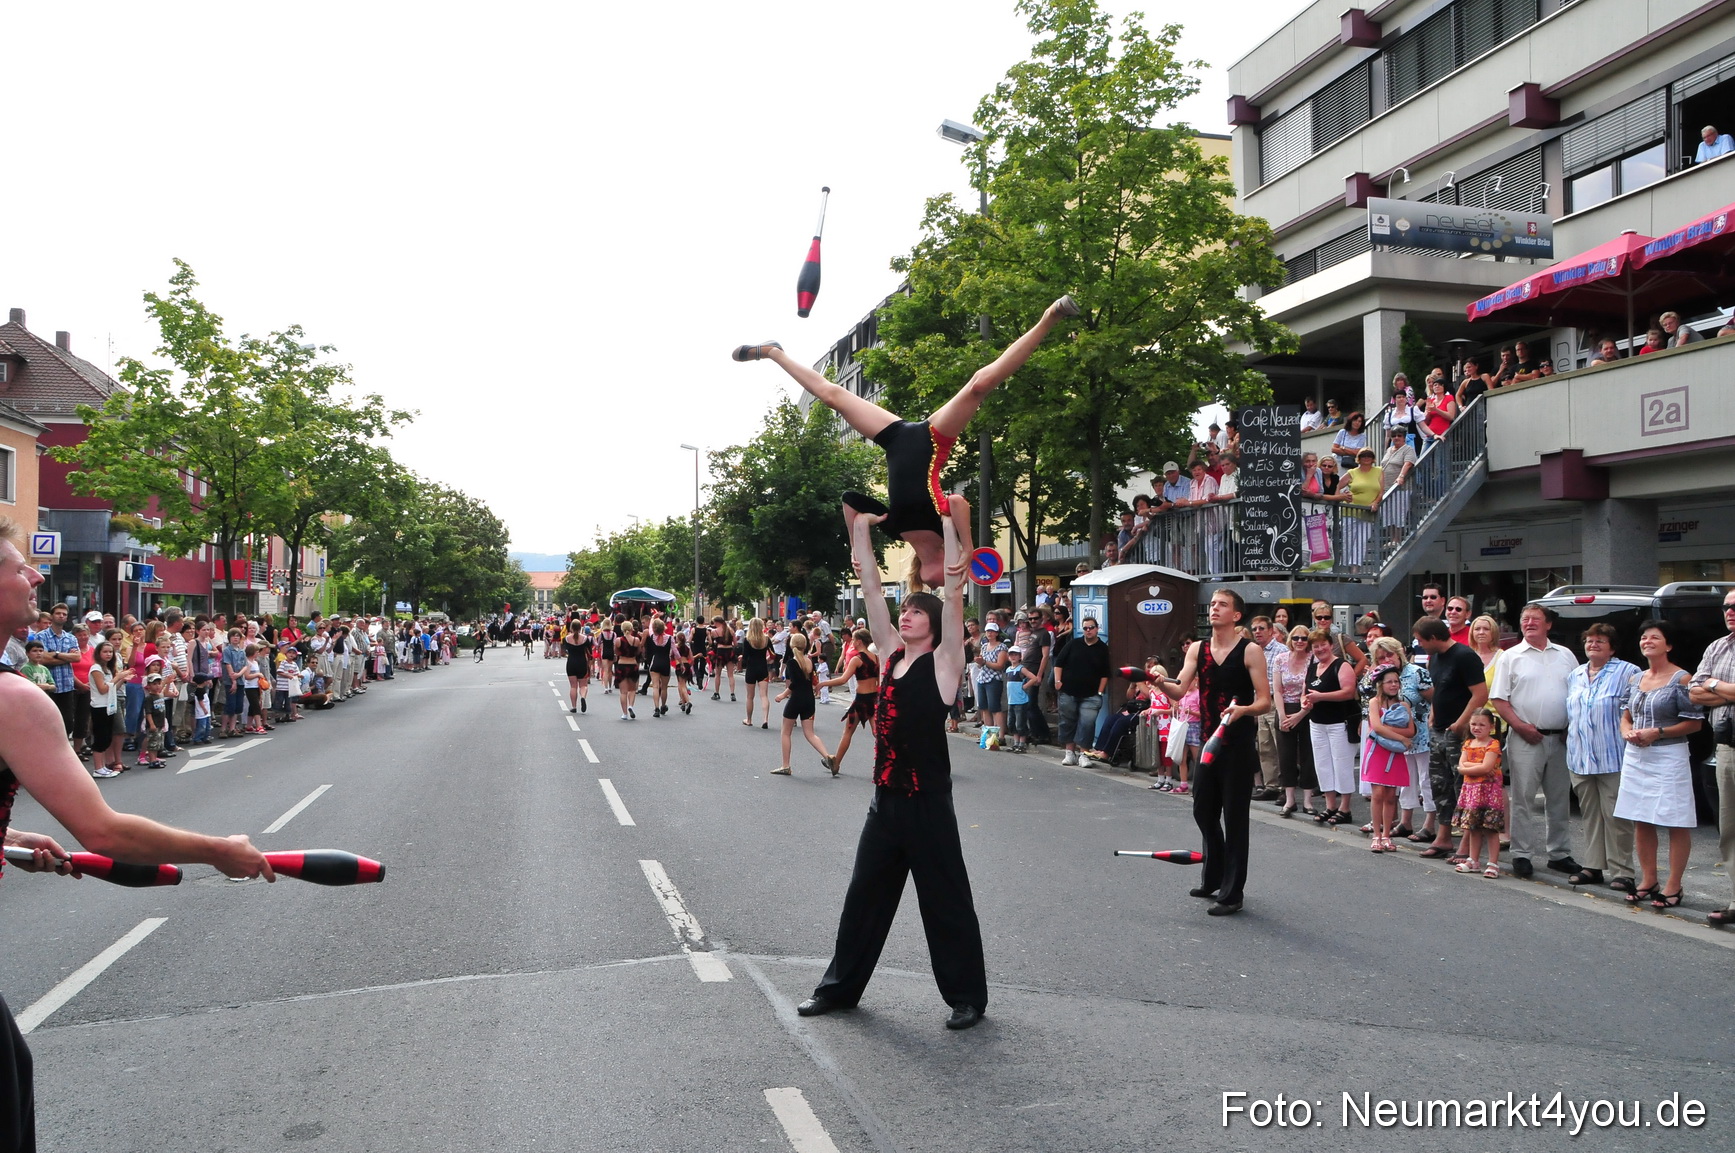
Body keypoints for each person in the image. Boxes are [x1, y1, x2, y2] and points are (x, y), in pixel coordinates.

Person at [0, 523, 275, 1144]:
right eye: (19, 569)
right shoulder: (14, 700)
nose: (38, 576)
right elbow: (104, 832)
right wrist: (218, 851)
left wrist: (7, 836)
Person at [799, 494, 987, 1030]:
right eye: (903, 611)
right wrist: (860, 530)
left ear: (931, 624)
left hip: (928, 803)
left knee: (946, 903)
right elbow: (873, 588)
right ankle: (839, 990)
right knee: (863, 899)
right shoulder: (890, 655)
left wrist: (950, 526)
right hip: (885, 802)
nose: (904, 615)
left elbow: (954, 591)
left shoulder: (947, 663)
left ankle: (967, 998)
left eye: (913, 612)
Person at [735, 297, 1076, 590]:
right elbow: (957, 500)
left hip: (895, 438)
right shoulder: (943, 531)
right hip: (933, 438)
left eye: (934, 584)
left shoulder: (894, 528)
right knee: (978, 386)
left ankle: (774, 353)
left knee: (832, 396)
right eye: (945, 580)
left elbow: (850, 500)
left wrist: (857, 546)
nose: (942, 582)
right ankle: (1050, 317)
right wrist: (969, 547)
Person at [1150, 589, 1273, 916]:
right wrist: (1159, 682)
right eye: (1213, 604)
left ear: (1236, 615)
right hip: (1207, 741)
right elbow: (1179, 689)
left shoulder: (1250, 651)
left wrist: (1242, 710)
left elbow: (1265, 701)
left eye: (1222, 605)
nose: (1214, 609)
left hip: (1237, 745)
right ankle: (1213, 876)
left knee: (1235, 819)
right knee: (1203, 810)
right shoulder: (1197, 649)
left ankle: (1232, 892)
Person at [1488, 602, 1581, 879]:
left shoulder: (1565, 655)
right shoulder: (1510, 656)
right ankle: (1522, 854)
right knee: (1523, 800)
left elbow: (1579, 692)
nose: (1529, 623)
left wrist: (1571, 726)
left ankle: (1559, 853)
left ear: (1548, 624)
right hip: (1525, 737)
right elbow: (1499, 698)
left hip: (1560, 738)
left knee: (1558, 799)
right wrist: (1519, 725)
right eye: (1524, 618)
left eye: (1535, 619)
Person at [1617, 620, 1703, 910]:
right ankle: (1648, 879)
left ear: (1668, 645)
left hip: (1669, 755)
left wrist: (1659, 732)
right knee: (1641, 817)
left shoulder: (1681, 679)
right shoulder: (1635, 678)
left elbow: (1694, 723)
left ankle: (1674, 885)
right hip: (1637, 755)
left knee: (1675, 819)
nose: (1647, 641)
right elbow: (1625, 715)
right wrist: (1627, 731)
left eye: (1655, 637)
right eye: (1644, 637)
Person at [1564, 623, 1639, 892]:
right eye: (1589, 641)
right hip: (1580, 757)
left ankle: (1623, 871)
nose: (1593, 645)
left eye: (1600, 641)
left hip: (1613, 757)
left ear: (1612, 647)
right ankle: (1593, 866)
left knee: (1617, 816)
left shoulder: (1628, 672)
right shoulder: (1575, 675)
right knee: (1591, 815)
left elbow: (1635, 710)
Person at [1412, 618, 1490, 858]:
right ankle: (1443, 838)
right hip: (1438, 731)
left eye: (1422, 640)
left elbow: (1480, 694)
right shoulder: (1435, 658)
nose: (1420, 645)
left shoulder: (1464, 656)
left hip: (1460, 734)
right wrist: (1433, 715)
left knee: (1463, 787)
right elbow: (1439, 690)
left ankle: (1466, 844)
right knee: (1440, 786)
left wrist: (1460, 723)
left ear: (1434, 638)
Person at [1689, 586, 1735, 927]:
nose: (1730, 612)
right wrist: (1725, 690)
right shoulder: (1717, 647)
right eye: (1726, 607)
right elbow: (1693, 692)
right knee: (1729, 830)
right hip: (1726, 747)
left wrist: (1713, 686)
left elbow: (1706, 687)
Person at [1362, 666, 1415, 853]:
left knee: (1391, 796)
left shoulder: (1404, 705)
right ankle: (1376, 834)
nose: (1393, 685)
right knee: (1377, 794)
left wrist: (1389, 730)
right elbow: (1376, 726)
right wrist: (1400, 738)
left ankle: (1387, 835)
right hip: (1378, 752)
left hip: (1394, 754)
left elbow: (1411, 730)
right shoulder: (1374, 702)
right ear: (1380, 685)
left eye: (1396, 681)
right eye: (1389, 682)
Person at [1454, 709, 1506, 877]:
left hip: (1489, 792)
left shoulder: (1493, 744)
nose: (1477, 728)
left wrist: (1469, 766)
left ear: (1491, 727)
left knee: (1491, 829)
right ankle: (1473, 859)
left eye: (1481, 725)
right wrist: (1473, 767)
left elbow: (1486, 766)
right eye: (1473, 724)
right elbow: (1461, 766)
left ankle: (1492, 863)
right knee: (1473, 827)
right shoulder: (1468, 743)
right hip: (1472, 791)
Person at [1273, 626, 1318, 817]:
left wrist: (1301, 714)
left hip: (1307, 709)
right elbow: (1277, 689)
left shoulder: (1313, 660)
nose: (1300, 641)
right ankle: (1289, 799)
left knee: (1308, 755)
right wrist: (1282, 716)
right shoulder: (1280, 659)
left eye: (1304, 638)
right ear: (1291, 639)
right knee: (1286, 756)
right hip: (1285, 708)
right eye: (1296, 638)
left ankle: (1308, 800)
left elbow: (1309, 689)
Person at [1054, 617, 1111, 767]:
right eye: (1085, 628)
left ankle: (1084, 754)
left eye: (1091, 627)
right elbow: (1058, 663)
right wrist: (1058, 681)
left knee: (1087, 723)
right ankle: (1069, 753)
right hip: (1069, 691)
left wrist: (1100, 692)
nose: (1088, 630)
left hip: (1091, 694)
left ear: (1097, 628)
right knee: (1067, 721)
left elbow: (1105, 673)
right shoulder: (1073, 644)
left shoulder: (1102, 649)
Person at [820, 629, 879, 773]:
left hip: (861, 700)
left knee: (847, 732)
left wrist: (823, 683)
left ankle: (836, 763)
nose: (852, 642)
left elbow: (843, 679)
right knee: (878, 732)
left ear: (859, 641)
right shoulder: (876, 658)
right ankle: (888, 762)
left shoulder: (857, 659)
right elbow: (880, 680)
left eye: (853, 639)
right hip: (873, 698)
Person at [613, 620, 641, 721]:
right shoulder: (636, 640)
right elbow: (638, 652)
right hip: (633, 665)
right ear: (631, 628)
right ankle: (631, 706)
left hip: (622, 665)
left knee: (623, 692)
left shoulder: (618, 640)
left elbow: (616, 652)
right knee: (632, 690)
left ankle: (624, 713)